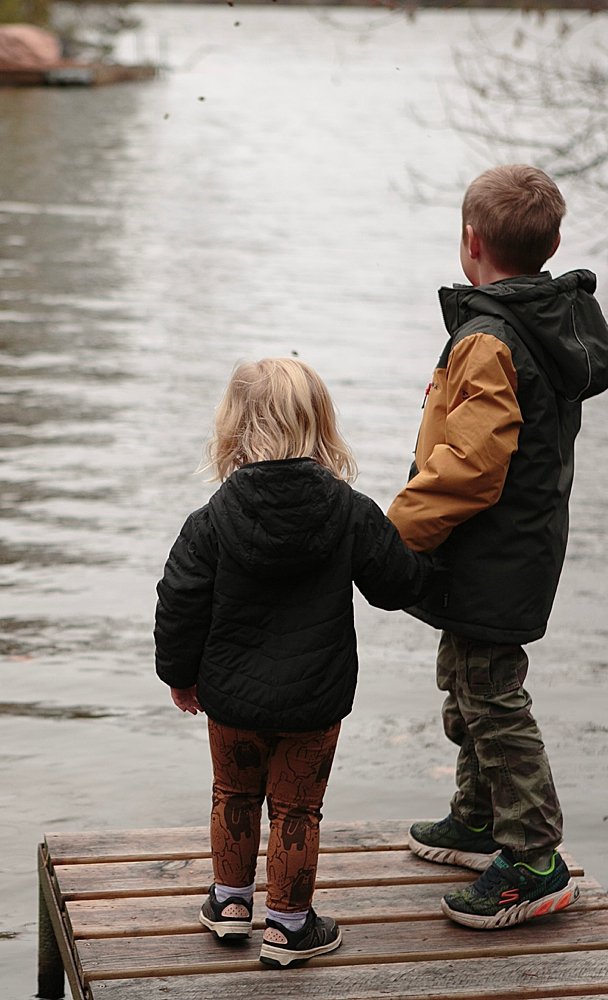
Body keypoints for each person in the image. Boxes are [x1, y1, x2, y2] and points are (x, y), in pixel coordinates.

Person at [387, 164, 608, 930]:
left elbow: (472, 467)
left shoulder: (489, 339)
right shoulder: (543, 319)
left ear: (470, 242)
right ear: (553, 244)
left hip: (493, 546)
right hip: (515, 543)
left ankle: (535, 859)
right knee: (466, 675)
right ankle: (480, 817)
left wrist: (390, 535)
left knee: (491, 694)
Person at [154, 357, 437, 967]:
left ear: (234, 428)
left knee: (231, 793)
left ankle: (231, 905)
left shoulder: (213, 520)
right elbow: (396, 584)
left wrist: (179, 674)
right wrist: (438, 558)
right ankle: (288, 926)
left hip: (229, 696)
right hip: (314, 700)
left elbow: (179, 596)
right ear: (319, 426)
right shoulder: (350, 511)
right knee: (297, 810)